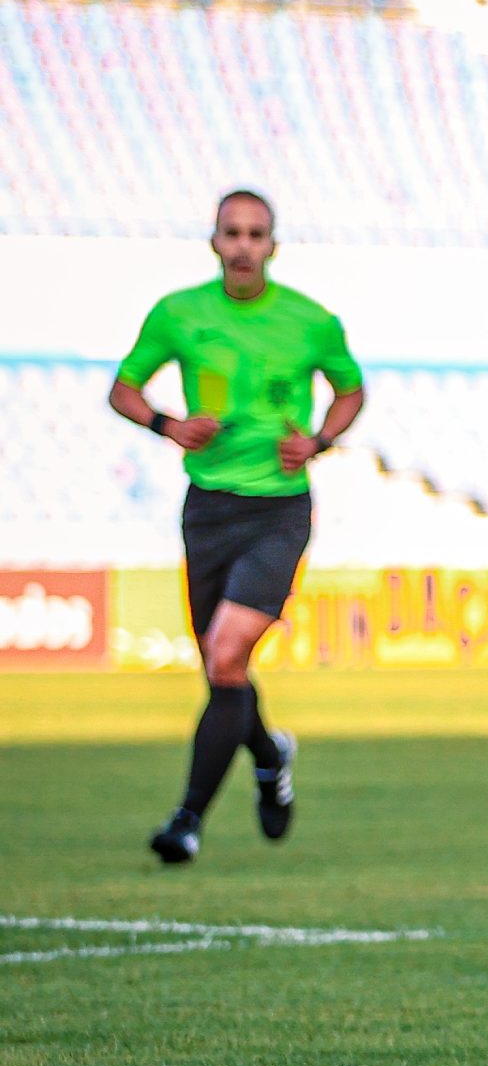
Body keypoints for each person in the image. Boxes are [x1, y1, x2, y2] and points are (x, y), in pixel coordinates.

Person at [108, 190, 364, 864]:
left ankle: (186, 821)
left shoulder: (311, 321)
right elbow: (124, 387)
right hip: (208, 505)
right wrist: (167, 423)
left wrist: (319, 440)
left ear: (273, 246)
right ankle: (269, 752)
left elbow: (350, 389)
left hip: (278, 509)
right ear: (215, 242)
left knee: (226, 654)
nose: (244, 244)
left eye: (256, 233)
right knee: (221, 669)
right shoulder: (179, 313)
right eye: (232, 232)